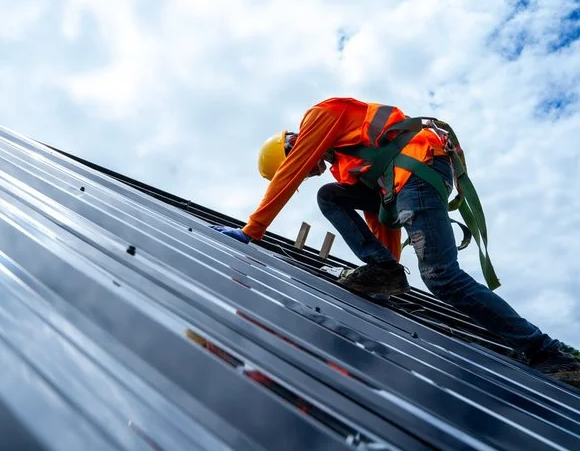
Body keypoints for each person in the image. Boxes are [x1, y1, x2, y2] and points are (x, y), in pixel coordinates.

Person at [211, 97, 579, 385]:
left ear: (291, 147)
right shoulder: (349, 160)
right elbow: (381, 216)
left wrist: (251, 230)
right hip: (403, 181)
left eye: (305, 166)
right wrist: (386, 270)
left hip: (418, 169)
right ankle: (384, 269)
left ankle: (546, 352)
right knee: (331, 195)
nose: (312, 170)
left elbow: (288, 175)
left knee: (441, 277)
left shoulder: (321, 116)